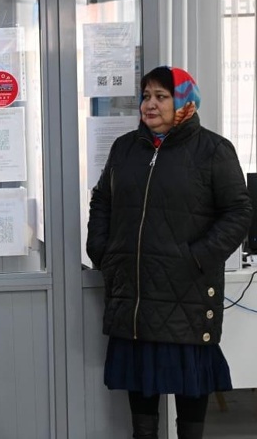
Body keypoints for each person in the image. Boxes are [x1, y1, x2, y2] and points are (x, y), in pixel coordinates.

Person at [87, 65, 252, 439]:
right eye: (146, 96)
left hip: (186, 293)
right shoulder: (125, 148)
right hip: (134, 295)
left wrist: (196, 257)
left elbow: (239, 212)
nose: (150, 104)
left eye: (161, 96)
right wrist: (101, 250)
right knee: (141, 400)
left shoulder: (213, 150)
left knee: (190, 391)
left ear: (184, 102)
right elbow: (102, 200)